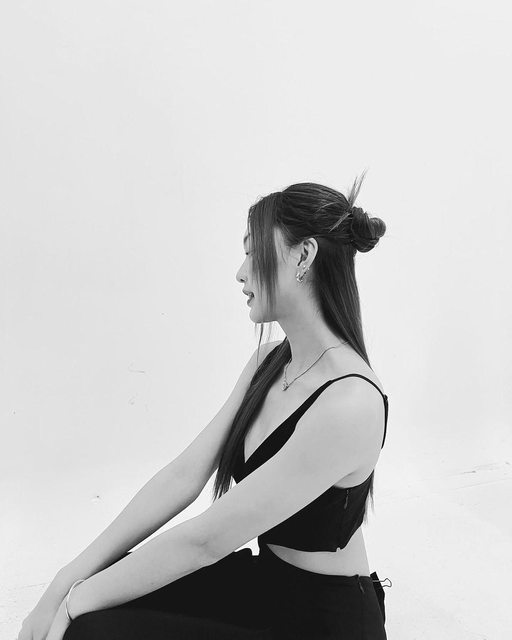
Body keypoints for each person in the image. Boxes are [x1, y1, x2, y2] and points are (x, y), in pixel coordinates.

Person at [17, 173, 390, 640]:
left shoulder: (350, 402)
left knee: (91, 627)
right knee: (102, 593)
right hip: (264, 586)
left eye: (253, 252)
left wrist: (75, 603)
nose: (241, 272)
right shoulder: (270, 362)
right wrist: (64, 584)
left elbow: (208, 540)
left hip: (323, 622)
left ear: (304, 256)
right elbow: (182, 477)